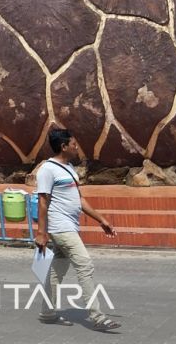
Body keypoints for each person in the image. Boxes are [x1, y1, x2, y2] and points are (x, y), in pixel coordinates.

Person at [35, 129, 121, 332]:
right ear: (63, 147)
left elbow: (79, 198)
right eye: (73, 144)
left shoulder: (69, 168)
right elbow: (42, 201)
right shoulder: (47, 170)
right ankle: (97, 316)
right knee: (84, 265)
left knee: (57, 271)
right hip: (61, 227)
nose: (76, 147)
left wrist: (101, 220)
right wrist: (41, 232)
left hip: (70, 226)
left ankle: (47, 312)